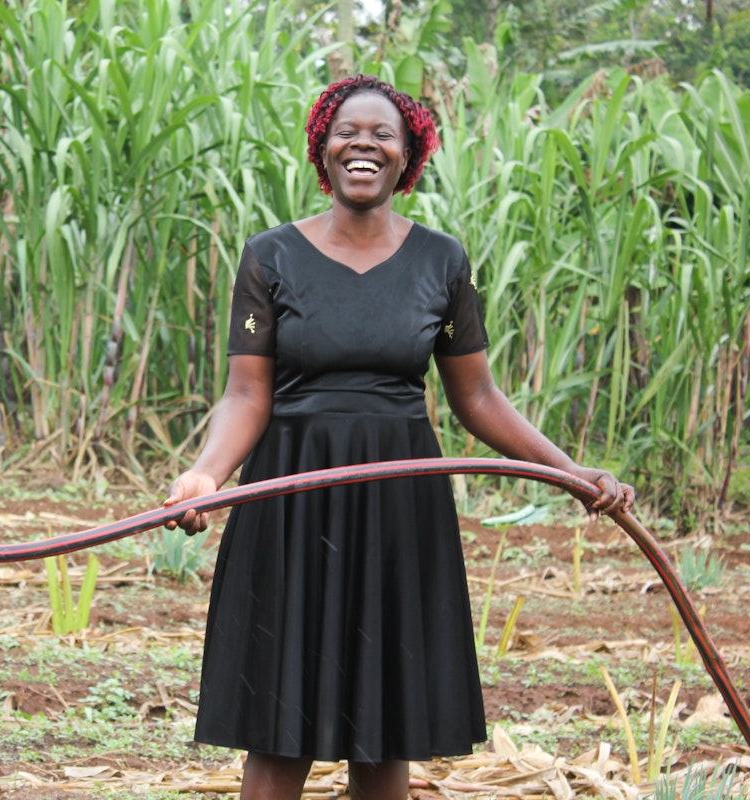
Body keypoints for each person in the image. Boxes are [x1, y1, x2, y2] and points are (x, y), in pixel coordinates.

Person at [162, 75, 635, 800]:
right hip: (292, 497)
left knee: (383, 725)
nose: (364, 144)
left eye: (384, 134)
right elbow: (246, 394)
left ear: (407, 156)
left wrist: (571, 471)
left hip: (398, 503)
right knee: (278, 726)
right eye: (348, 131)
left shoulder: (441, 263)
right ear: (323, 148)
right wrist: (206, 475)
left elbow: (476, 395)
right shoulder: (270, 257)